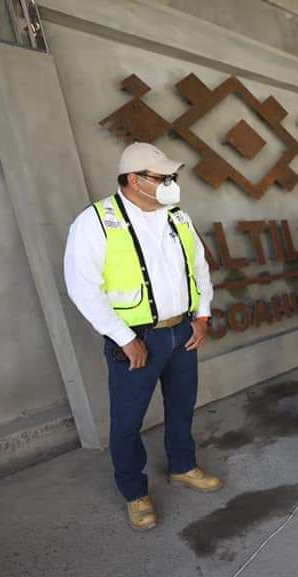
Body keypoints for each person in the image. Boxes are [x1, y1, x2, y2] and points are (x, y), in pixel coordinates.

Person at [64, 142, 220, 532]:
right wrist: (123, 337)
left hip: (182, 331)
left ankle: (183, 466)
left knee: (182, 406)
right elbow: (83, 287)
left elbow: (199, 268)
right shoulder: (96, 221)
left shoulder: (178, 217)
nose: (170, 183)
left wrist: (202, 316)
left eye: (172, 177)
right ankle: (135, 492)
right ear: (134, 180)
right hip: (136, 340)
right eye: (162, 177)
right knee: (127, 422)